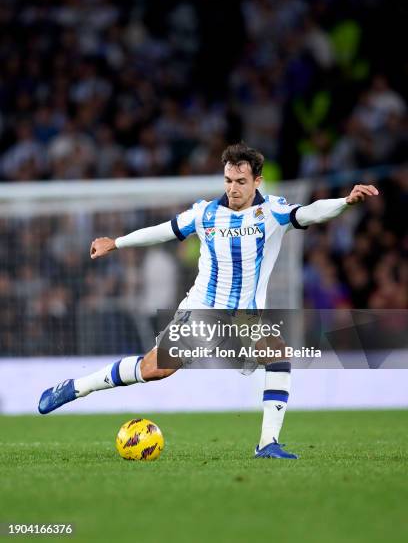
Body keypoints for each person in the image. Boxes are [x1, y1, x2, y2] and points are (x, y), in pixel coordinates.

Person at [38, 143, 378, 458]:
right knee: (153, 369)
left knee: (277, 355)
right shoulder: (205, 214)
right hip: (203, 312)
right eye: (229, 179)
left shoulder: (273, 212)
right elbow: (164, 230)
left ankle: (267, 443)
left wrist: (345, 202)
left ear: (257, 181)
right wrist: (117, 242)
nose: (233, 188)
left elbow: (311, 213)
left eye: (241, 181)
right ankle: (76, 387)